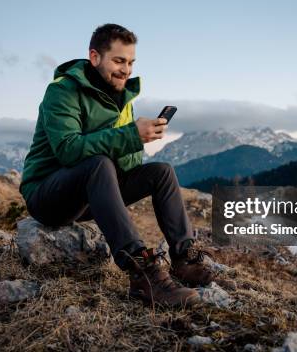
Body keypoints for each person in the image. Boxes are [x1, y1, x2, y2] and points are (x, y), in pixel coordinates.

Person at [19, 24, 215, 307]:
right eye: (119, 60)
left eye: (131, 62)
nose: (126, 70)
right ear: (95, 57)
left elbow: (125, 165)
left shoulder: (122, 99)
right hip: (48, 196)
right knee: (97, 163)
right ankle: (143, 275)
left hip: (89, 195)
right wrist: (129, 135)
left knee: (161, 172)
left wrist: (138, 139)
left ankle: (184, 258)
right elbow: (68, 151)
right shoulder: (62, 92)